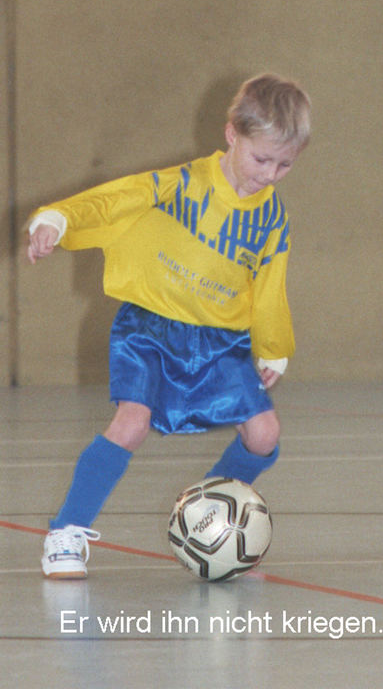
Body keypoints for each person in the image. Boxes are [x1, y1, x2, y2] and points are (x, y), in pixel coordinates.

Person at [27, 73, 311, 578]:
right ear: (231, 135)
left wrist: (273, 347)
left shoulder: (272, 220)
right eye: (261, 159)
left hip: (221, 342)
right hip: (150, 329)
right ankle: (67, 530)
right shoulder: (180, 185)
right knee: (132, 422)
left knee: (264, 435)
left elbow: (270, 284)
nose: (270, 174)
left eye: (284, 164)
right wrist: (57, 219)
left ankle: (206, 514)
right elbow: (113, 199)